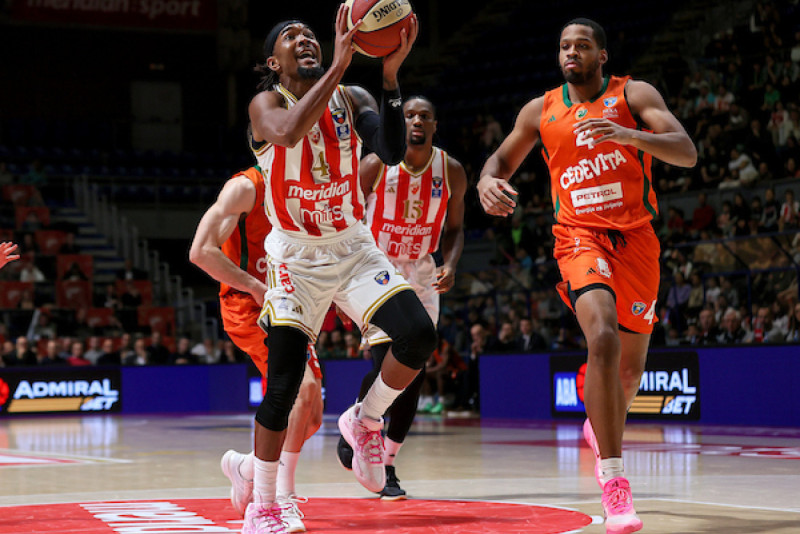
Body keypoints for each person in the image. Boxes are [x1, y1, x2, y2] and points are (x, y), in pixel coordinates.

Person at [477, 18, 697, 534]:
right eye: (563, 46)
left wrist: (629, 135)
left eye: (581, 45)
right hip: (578, 237)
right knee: (601, 337)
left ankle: (600, 424)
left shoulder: (633, 94)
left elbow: (687, 153)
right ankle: (615, 483)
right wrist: (487, 181)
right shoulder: (541, 109)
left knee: (628, 374)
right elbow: (499, 161)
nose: (570, 52)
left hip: (637, 241)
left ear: (602, 55)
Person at [240, 9, 435, 533]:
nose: (304, 38)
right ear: (274, 63)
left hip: (351, 246)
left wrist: (389, 76)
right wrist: (340, 64)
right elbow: (287, 135)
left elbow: (391, 151)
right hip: (296, 256)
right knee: (283, 386)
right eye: (290, 36)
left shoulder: (353, 98)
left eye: (309, 33)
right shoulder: (265, 105)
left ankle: (365, 419)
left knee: (418, 335)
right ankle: (264, 504)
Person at [335, 95, 467, 499]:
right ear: (400, 122)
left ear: (435, 125)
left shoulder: (451, 170)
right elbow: (344, 214)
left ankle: (388, 461)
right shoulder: (376, 164)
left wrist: (451, 263)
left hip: (423, 270)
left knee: (414, 371)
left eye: (425, 116)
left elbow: (455, 228)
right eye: (409, 115)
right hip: (378, 266)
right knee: (385, 362)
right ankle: (361, 424)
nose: (416, 121)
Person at [190, 166, 324, 531]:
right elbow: (200, 252)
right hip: (249, 303)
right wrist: (254, 286)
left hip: (293, 301)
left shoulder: (313, 186)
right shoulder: (246, 187)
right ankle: (280, 497)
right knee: (302, 391)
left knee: (311, 416)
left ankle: (246, 467)